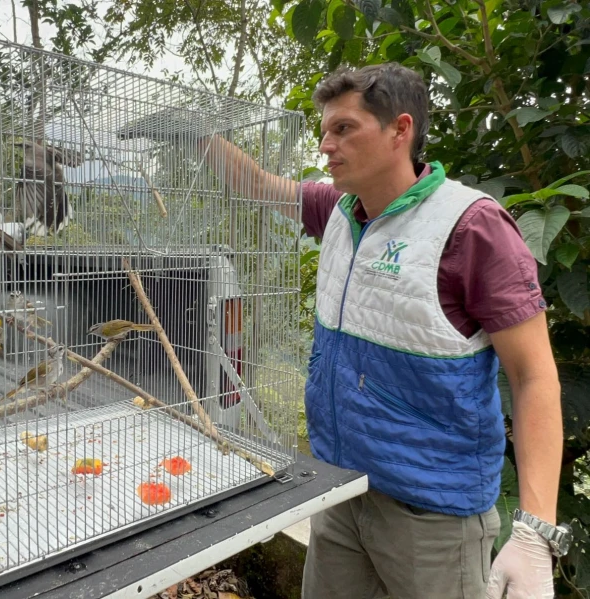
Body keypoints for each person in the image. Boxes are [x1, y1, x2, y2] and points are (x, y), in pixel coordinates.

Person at [191, 63, 566, 598]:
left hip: (430, 517)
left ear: (400, 129)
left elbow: (534, 377)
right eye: (324, 130)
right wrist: (197, 135)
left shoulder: (471, 227)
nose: (326, 145)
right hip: (338, 491)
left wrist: (535, 532)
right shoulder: (340, 211)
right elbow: (256, 185)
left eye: (343, 128)